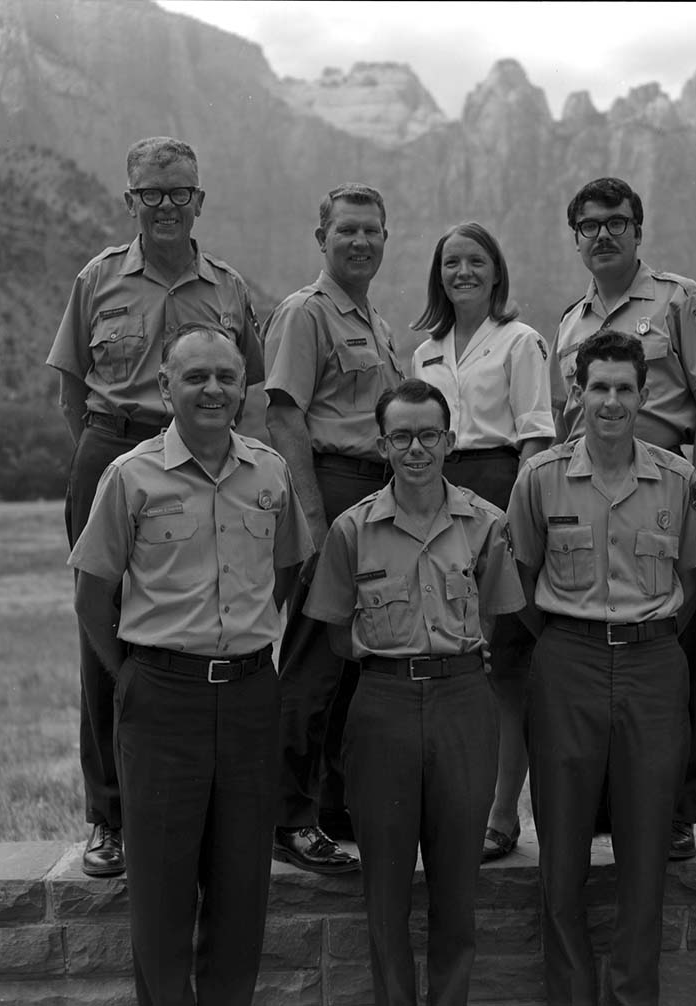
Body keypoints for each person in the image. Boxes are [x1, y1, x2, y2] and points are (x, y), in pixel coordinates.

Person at [69, 323, 314, 1006]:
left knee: (242, 891)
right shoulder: (131, 476)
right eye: (197, 376)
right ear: (164, 386)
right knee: (161, 896)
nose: (213, 389)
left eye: (227, 377)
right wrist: (131, 676)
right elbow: (92, 596)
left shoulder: (269, 470)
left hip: (246, 697)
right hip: (161, 700)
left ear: (244, 389)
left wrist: (248, 642)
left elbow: (287, 569)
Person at [46, 136, 266, 878]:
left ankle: (204, 807)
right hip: (113, 452)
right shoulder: (97, 279)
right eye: (151, 193)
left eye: (179, 192)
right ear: (129, 200)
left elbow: (249, 393)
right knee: (101, 627)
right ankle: (108, 817)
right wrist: (116, 459)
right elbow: (72, 390)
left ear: (200, 200)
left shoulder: (230, 290)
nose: (165, 205)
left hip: (206, 464)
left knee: (197, 619)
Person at [507, 331, 696, 1006]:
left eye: (626, 388)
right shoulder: (540, 479)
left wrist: (642, 636)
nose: (613, 401)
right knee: (561, 857)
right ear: (576, 396)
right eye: (600, 387)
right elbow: (522, 580)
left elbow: (687, 581)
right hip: (566, 663)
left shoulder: (679, 482)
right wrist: (574, 638)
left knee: (646, 854)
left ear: (644, 396)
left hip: (654, 664)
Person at [304, 378, 523, 1006]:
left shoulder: (486, 524)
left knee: (457, 892)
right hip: (383, 709)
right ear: (382, 446)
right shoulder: (351, 531)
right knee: (386, 895)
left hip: (463, 706)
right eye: (401, 437)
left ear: (450, 441)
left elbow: (499, 614)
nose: (416, 448)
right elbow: (337, 632)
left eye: (429, 435)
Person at [551, 177, 696, 860]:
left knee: (673, 654)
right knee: (597, 649)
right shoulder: (569, 325)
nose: (603, 234)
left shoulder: (681, 300)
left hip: (664, 493)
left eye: (617, 222)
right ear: (575, 237)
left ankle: (676, 813)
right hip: (587, 505)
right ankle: (610, 806)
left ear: (638, 230)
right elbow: (559, 424)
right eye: (590, 224)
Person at [264, 183, 404, 874]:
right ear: (321, 238)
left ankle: (330, 805)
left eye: (372, 231)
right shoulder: (305, 314)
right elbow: (285, 419)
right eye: (347, 230)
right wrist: (313, 522)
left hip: (373, 493)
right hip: (329, 489)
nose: (360, 242)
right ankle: (287, 816)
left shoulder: (375, 323)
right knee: (312, 665)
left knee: (352, 662)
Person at [410, 221, 554, 862]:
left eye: (474, 262)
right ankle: (455, 807)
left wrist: (516, 524)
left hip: (501, 491)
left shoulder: (521, 341)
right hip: (439, 501)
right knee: (456, 657)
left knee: (506, 666)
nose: (462, 272)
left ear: (496, 271)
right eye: (450, 263)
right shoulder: (426, 352)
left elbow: (535, 437)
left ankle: (501, 815)